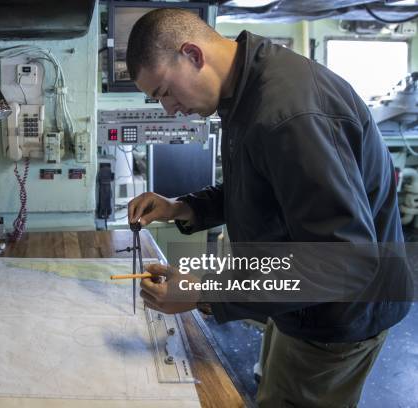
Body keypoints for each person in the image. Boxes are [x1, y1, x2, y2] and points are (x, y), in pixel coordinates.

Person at [126, 8, 411, 407]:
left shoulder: (288, 112)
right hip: (296, 298)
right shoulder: (246, 88)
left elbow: (343, 262)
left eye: (165, 92)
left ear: (192, 54)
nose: (169, 109)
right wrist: (179, 208)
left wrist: (203, 290)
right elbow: (259, 187)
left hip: (335, 314)